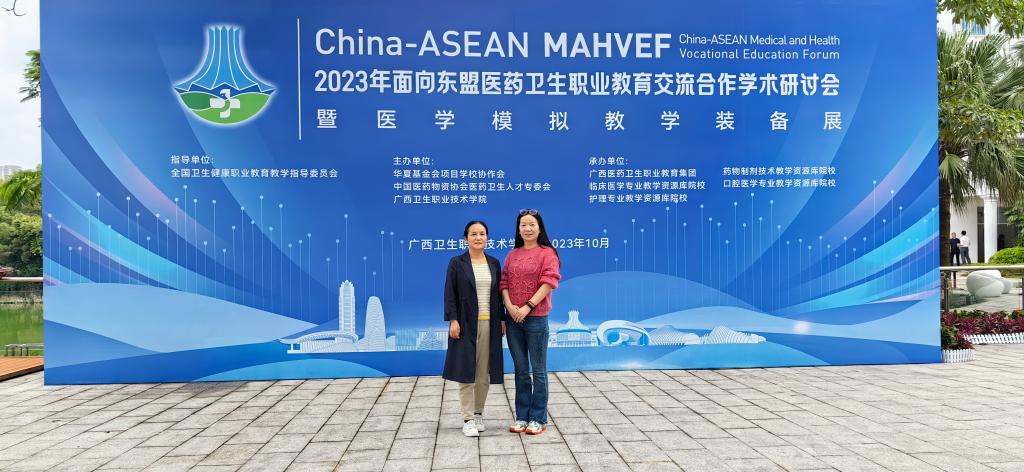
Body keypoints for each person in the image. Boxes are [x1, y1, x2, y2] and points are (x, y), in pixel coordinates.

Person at [442, 221, 506, 437]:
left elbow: (499, 295)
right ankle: (468, 418)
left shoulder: (494, 263)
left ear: (487, 237)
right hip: (465, 324)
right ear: (465, 238)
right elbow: (449, 294)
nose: (478, 238)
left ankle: (478, 413)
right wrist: (453, 320)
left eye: (482, 234)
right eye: (473, 234)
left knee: (483, 373)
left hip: (490, 323)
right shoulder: (457, 263)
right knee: (466, 372)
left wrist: (502, 319)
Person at [501, 209, 561, 435]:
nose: (527, 228)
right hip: (513, 319)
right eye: (523, 225)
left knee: (539, 371)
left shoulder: (548, 253)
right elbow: (504, 283)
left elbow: (549, 282)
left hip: (536, 318)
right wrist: (509, 306)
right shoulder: (512, 254)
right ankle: (521, 416)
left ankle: (538, 418)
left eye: (531, 224)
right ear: (518, 229)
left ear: (539, 227)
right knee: (520, 371)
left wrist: (527, 306)